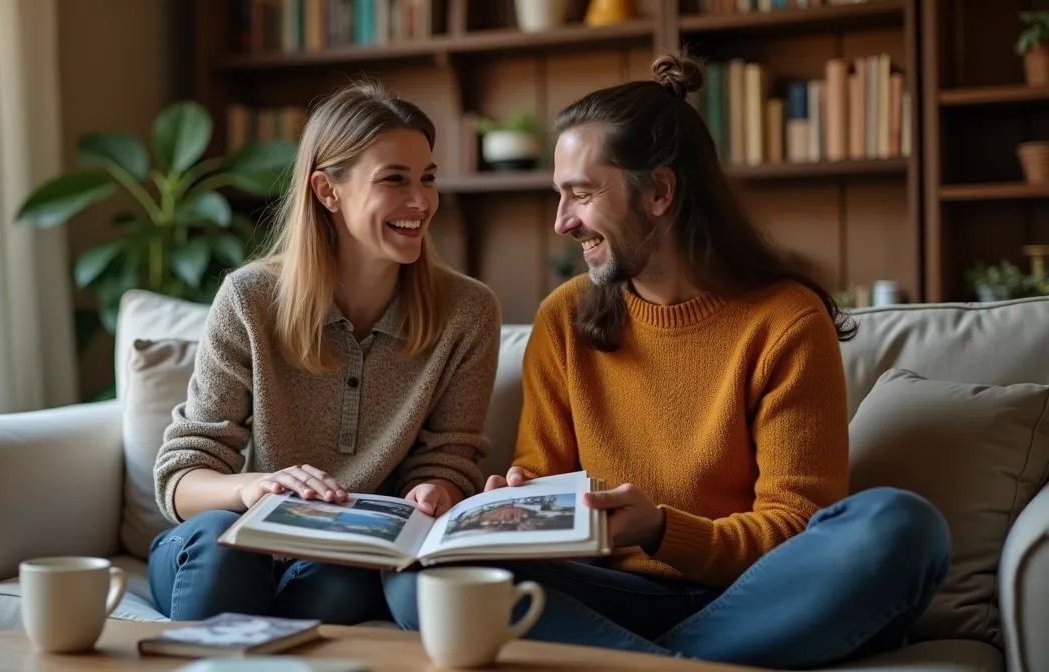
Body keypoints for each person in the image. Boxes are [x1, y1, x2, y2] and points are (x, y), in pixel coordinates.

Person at [382, 52, 951, 669]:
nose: (562, 222)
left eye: (581, 194)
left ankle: (650, 661)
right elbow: (544, 480)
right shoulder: (565, 318)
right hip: (608, 593)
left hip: (754, 594)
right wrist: (516, 505)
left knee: (900, 526)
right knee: (418, 576)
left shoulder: (785, 320)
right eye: (559, 196)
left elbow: (795, 527)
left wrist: (660, 529)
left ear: (659, 191)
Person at [148, 80, 502, 626]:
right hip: (230, 545)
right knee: (220, 542)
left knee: (348, 577)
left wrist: (437, 489)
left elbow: (448, 459)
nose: (421, 201)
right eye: (394, 180)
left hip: (345, 557)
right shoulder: (249, 299)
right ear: (326, 190)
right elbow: (183, 476)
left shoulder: (468, 313)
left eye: (427, 179)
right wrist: (254, 488)